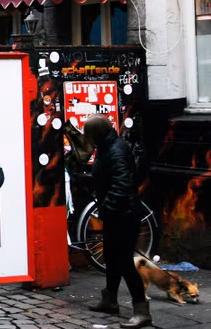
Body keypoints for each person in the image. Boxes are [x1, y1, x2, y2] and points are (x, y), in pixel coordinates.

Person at [84, 115, 151, 328]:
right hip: (116, 214)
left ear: (97, 134)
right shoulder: (107, 146)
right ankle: (110, 300)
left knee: (123, 262)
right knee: (112, 258)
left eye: (89, 134)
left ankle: (142, 311)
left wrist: (107, 208)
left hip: (124, 215)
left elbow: (122, 184)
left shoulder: (116, 150)